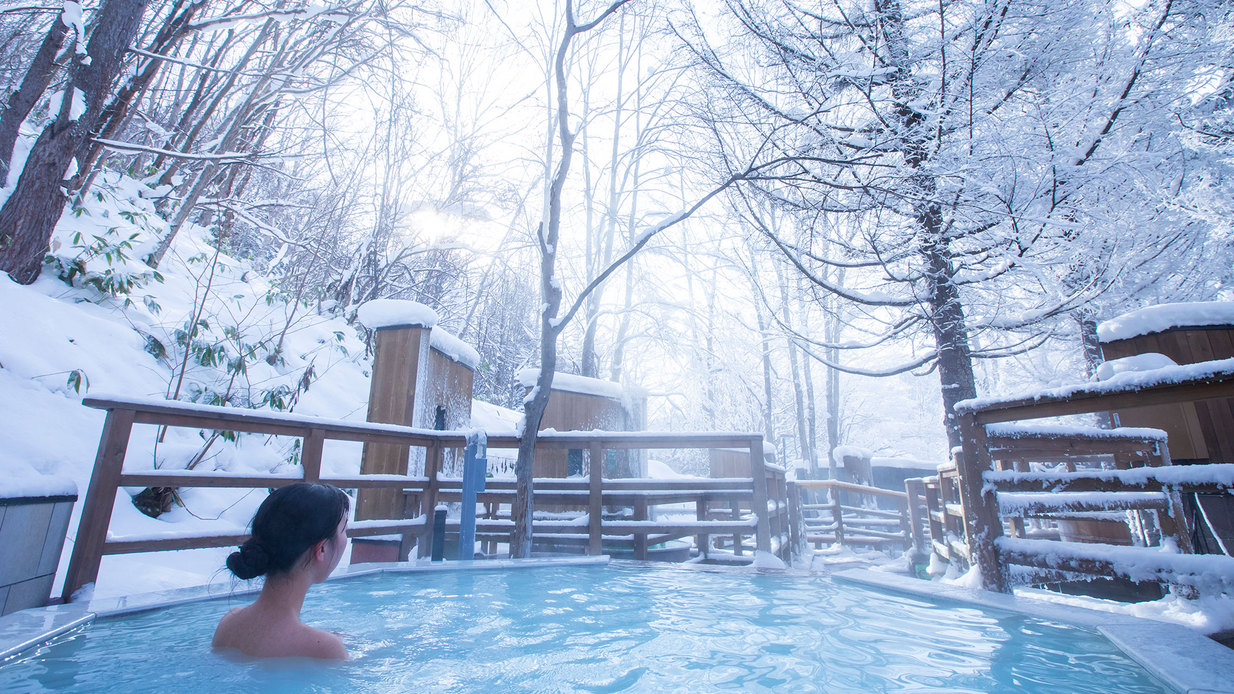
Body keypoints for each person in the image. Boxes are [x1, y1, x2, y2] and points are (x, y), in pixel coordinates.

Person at [212, 482, 351, 660]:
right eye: (344, 530)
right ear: (321, 549)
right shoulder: (326, 649)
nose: (346, 538)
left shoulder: (228, 623)